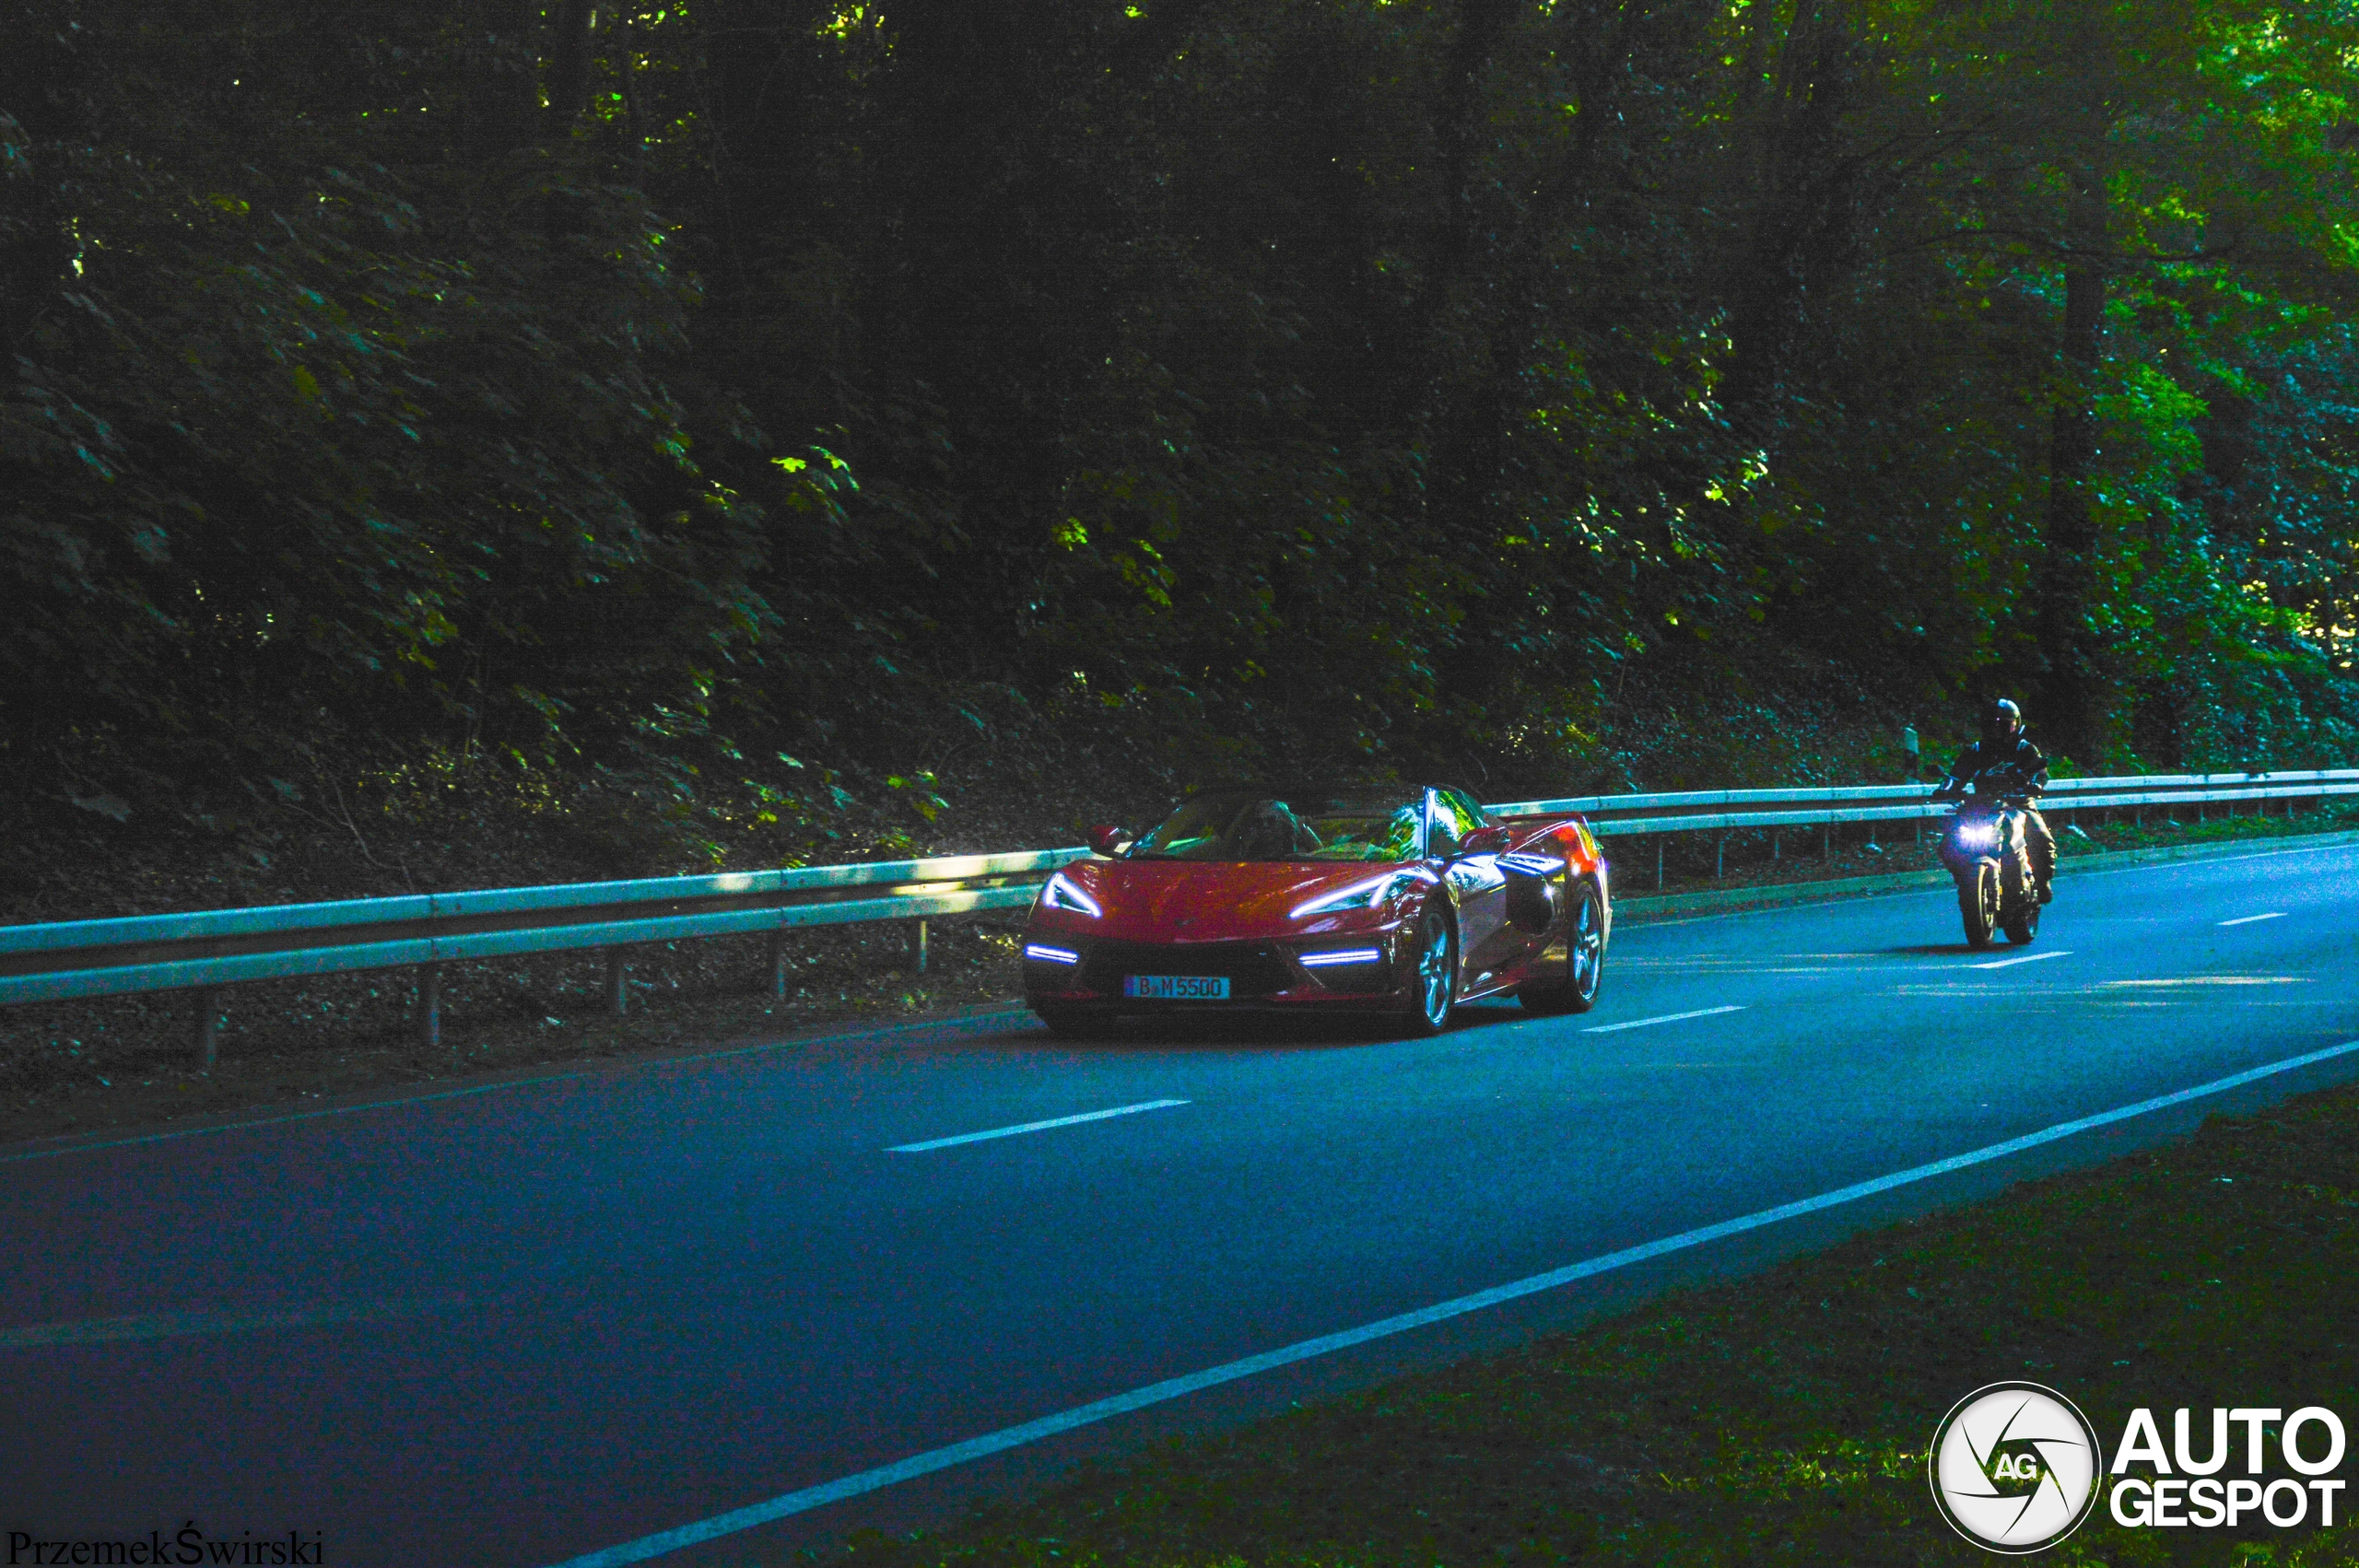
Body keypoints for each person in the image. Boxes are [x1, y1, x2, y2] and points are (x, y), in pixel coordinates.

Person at [1931, 697, 2056, 903]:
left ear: (2015, 724)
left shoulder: (2024, 749)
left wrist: (2036, 784)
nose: (1998, 730)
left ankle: (2042, 883)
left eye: (2005, 725)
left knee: (2041, 839)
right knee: (1948, 843)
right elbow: (1957, 775)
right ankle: (1966, 879)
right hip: (1980, 806)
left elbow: (2040, 771)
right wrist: (1946, 789)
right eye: (1992, 725)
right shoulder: (1976, 750)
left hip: (2018, 803)